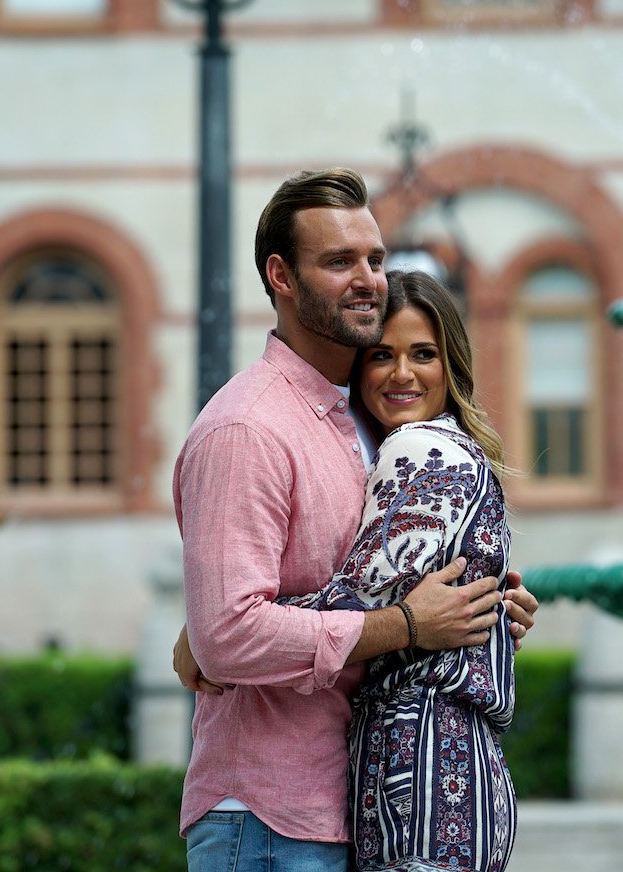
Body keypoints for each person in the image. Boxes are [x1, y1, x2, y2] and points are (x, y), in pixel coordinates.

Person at [172, 168, 536, 872]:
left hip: (342, 804)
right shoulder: (247, 428)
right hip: (267, 820)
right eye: (339, 262)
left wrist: (488, 600)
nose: (367, 278)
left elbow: (345, 581)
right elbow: (232, 635)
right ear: (281, 276)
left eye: (374, 258)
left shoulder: (361, 427)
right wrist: (403, 625)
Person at [275, 268, 517, 872]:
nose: (402, 373)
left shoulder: (419, 451)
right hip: (450, 762)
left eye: (423, 355)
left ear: (450, 366)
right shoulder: (449, 447)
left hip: (423, 766)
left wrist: (223, 630)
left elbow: (355, 601)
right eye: (382, 354)